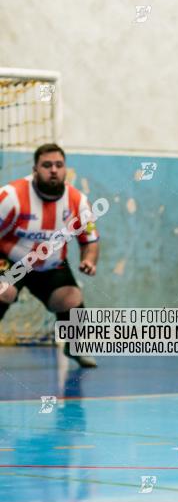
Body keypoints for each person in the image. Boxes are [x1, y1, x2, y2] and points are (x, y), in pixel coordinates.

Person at [0, 143, 100, 367]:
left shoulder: (78, 203)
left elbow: (90, 241)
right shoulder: (10, 197)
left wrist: (88, 261)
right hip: (10, 260)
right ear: (35, 169)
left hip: (50, 265)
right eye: (46, 165)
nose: (53, 170)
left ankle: (74, 347)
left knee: (72, 298)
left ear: (65, 169)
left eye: (58, 165)